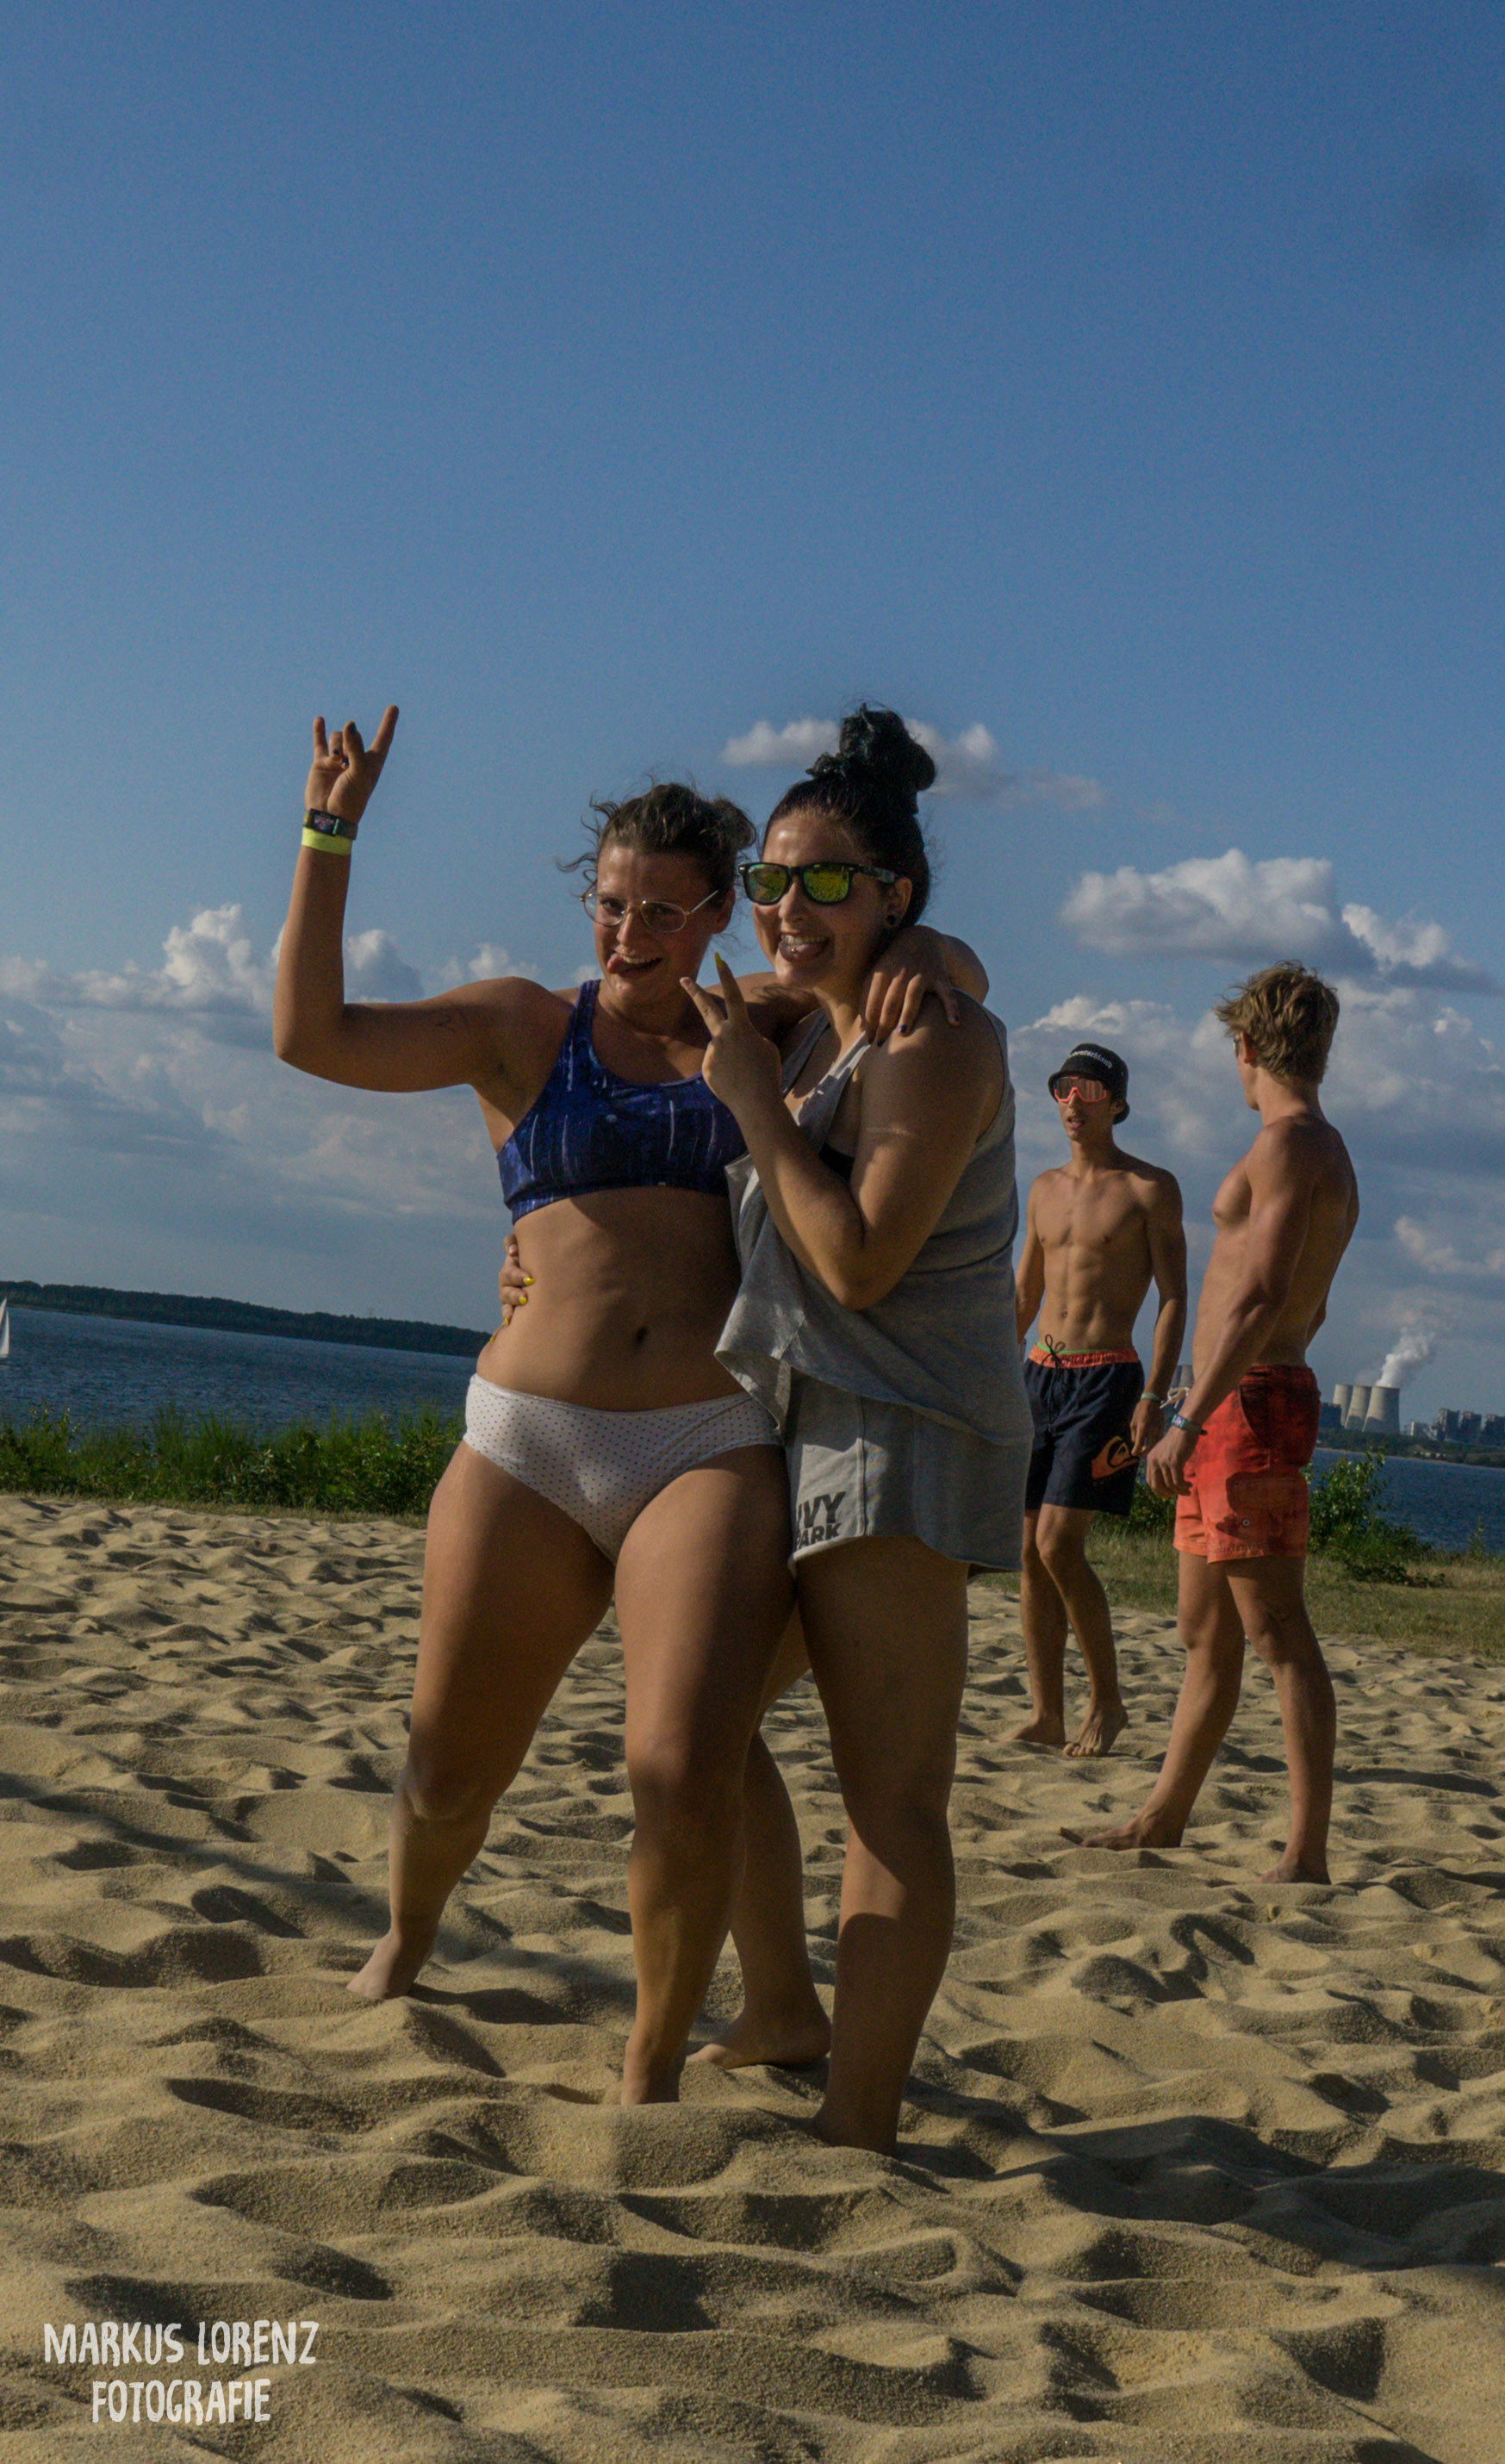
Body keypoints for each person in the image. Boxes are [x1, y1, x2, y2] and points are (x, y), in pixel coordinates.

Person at [272, 706, 973, 2103]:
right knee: (446, 1771)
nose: (626, 932)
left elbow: (918, 963)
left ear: (718, 914)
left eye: (660, 910)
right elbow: (312, 1035)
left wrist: (932, 950)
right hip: (527, 1440)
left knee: (680, 1769)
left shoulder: (764, 1024)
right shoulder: (522, 1025)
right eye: (607, 904)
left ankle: (649, 2070)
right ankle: (406, 1936)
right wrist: (327, 834)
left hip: (704, 1444)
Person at [681, 707, 1032, 2155]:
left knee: (889, 1802)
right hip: (797, 1423)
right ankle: (781, 2009)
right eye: (770, 880)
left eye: (826, 881)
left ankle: (861, 2122)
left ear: (895, 893)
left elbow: (863, 1261)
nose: (787, 907)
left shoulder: (927, 1035)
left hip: (899, 1431)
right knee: (695, 1737)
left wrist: (757, 1111)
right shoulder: (827, 1029)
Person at [1076, 963, 1358, 1883]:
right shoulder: (1312, 1147)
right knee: (1204, 1630)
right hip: (1232, 1399)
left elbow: (1265, 1295)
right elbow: (1298, 1298)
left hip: (1245, 1402)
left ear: (1244, 1047)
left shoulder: (1290, 1146)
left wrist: (1188, 1419)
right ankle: (1162, 1816)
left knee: (1276, 1630)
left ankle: (1305, 1852)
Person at [1012, 1042, 1186, 1757]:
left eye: (1087, 1090)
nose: (1072, 1102)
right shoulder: (1042, 1188)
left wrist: (1154, 1396)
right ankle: (1046, 1713)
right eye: (1063, 1088)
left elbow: (1173, 1297)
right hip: (1037, 1375)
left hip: (1107, 1377)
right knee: (1027, 1551)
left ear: (1115, 1104)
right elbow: (1025, 1292)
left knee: (1058, 1545)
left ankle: (1107, 1702)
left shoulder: (1149, 1188)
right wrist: (991, 1371)